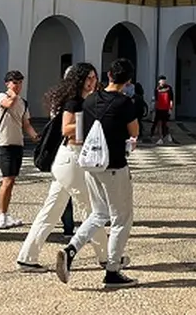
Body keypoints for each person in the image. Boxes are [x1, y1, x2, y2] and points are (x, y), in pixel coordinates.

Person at [55, 58, 141, 287]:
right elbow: (134, 131)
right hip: (114, 165)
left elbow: (81, 129)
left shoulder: (90, 100)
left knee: (98, 214)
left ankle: (71, 249)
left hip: (92, 165)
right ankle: (112, 270)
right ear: (128, 80)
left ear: (109, 75)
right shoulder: (124, 102)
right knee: (121, 218)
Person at [17, 63, 108, 272]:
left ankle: (27, 257)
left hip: (70, 161)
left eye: (94, 77)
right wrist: (92, 122)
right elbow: (66, 128)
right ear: (79, 80)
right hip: (71, 159)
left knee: (51, 211)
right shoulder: (74, 102)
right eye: (88, 78)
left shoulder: (87, 101)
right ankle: (107, 257)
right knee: (92, 209)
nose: (92, 81)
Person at [0, 69, 40, 230]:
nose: (18, 86)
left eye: (20, 83)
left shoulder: (23, 103)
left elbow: (25, 124)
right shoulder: (2, 97)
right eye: (15, 83)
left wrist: (35, 136)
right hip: (4, 144)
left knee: (12, 179)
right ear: (7, 84)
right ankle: (1, 216)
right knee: (7, 179)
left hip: (17, 144)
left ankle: (6, 213)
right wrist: (12, 94)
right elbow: (8, 104)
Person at [152, 76, 176, 145]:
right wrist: (155, 108)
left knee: (166, 123)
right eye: (162, 80)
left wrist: (170, 108)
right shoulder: (157, 88)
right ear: (159, 81)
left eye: (164, 80)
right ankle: (160, 138)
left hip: (166, 108)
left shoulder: (169, 88)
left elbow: (171, 99)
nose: (163, 82)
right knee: (159, 123)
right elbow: (156, 99)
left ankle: (168, 134)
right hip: (159, 108)